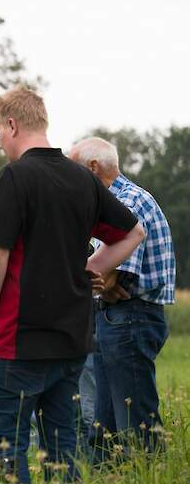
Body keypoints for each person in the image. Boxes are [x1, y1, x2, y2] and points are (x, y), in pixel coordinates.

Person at [0, 85, 144, 484]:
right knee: (61, 446)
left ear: (12, 124)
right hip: (71, 339)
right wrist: (93, 266)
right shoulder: (81, 179)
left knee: (7, 446)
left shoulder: (14, 176)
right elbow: (133, 231)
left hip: (19, 339)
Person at [69, 137, 175, 457]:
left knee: (135, 418)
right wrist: (96, 278)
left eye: (74, 171)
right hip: (113, 314)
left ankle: (149, 482)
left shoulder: (128, 201)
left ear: (93, 168)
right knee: (106, 425)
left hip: (131, 316)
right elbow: (98, 277)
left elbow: (109, 276)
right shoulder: (104, 204)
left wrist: (96, 277)